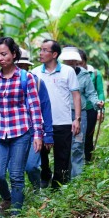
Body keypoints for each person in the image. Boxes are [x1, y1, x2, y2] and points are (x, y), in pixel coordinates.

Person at [0, 37, 43, 213]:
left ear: (13, 54)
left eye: (4, 54)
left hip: (21, 132)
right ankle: (8, 198)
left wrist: (38, 134)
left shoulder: (26, 77)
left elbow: (34, 107)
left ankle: (16, 215)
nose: (0, 58)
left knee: (16, 176)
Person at [32, 40, 81, 189]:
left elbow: (76, 95)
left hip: (63, 121)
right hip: (41, 122)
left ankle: (58, 186)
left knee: (62, 156)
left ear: (54, 54)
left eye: (45, 50)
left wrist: (77, 119)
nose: (41, 53)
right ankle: (45, 175)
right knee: (42, 155)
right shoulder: (34, 72)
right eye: (40, 50)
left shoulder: (68, 71)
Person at [59, 47, 101, 178]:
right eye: (68, 60)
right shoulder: (58, 73)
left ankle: (76, 178)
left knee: (77, 145)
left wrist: (96, 103)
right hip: (62, 114)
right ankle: (64, 175)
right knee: (64, 146)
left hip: (80, 115)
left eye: (73, 60)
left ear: (77, 61)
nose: (70, 62)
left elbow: (91, 93)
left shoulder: (84, 74)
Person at [15, 49, 54, 189]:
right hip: (14, 132)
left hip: (34, 132)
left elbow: (46, 108)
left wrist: (48, 134)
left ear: (28, 66)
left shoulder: (37, 83)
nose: (20, 68)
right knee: (15, 169)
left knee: (31, 166)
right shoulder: (3, 82)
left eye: (23, 65)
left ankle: (37, 190)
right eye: (18, 64)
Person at [78, 49, 105, 162]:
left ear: (85, 62)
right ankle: (77, 160)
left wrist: (101, 109)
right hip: (76, 109)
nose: (79, 65)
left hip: (91, 109)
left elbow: (100, 92)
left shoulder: (94, 73)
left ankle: (87, 160)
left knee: (88, 135)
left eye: (81, 63)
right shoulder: (71, 72)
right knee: (77, 136)